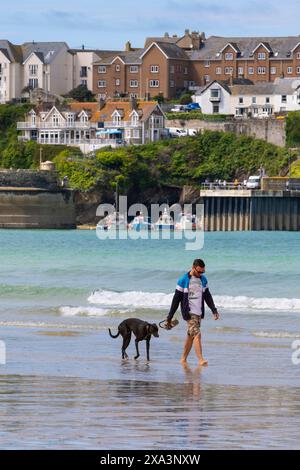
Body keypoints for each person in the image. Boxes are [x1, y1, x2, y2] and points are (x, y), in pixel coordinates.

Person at [166, 259, 220, 366]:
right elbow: (176, 299)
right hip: (189, 313)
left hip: (198, 313)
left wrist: (214, 310)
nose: (201, 274)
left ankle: (183, 359)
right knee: (197, 334)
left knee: (190, 336)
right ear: (193, 267)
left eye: (202, 272)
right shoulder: (183, 280)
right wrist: (170, 316)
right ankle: (201, 360)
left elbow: (207, 296)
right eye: (199, 271)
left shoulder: (203, 280)